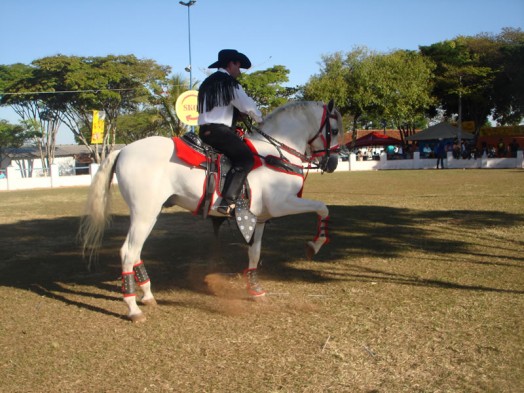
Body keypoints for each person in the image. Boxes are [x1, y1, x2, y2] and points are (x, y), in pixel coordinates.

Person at [197, 49, 263, 216]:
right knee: (246, 158)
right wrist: (261, 120)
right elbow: (248, 106)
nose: (239, 71)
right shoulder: (229, 83)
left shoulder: (206, 83)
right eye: (238, 66)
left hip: (205, 130)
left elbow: (219, 108)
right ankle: (227, 202)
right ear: (231, 64)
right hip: (220, 131)